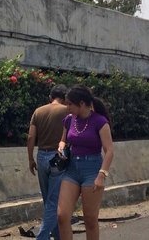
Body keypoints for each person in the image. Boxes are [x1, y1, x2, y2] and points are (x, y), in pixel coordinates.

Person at [57, 85, 114, 240]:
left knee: (90, 220)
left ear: (81, 104)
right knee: (62, 216)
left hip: (92, 170)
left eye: (70, 104)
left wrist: (102, 175)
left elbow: (109, 150)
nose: (67, 107)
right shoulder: (69, 120)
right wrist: (61, 147)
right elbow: (63, 141)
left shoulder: (100, 122)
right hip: (72, 170)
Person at [27, 84, 69, 240]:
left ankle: (58, 236)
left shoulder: (39, 111)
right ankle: (42, 237)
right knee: (54, 201)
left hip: (41, 156)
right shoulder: (67, 111)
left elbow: (31, 137)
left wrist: (30, 158)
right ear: (65, 98)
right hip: (58, 158)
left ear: (50, 97)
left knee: (48, 201)